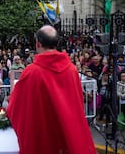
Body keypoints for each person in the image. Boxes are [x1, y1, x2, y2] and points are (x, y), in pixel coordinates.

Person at [7, 25, 96, 154]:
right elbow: (77, 104)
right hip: (66, 133)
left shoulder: (31, 72)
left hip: (42, 136)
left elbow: (16, 106)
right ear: (57, 43)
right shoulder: (71, 70)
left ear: (37, 44)